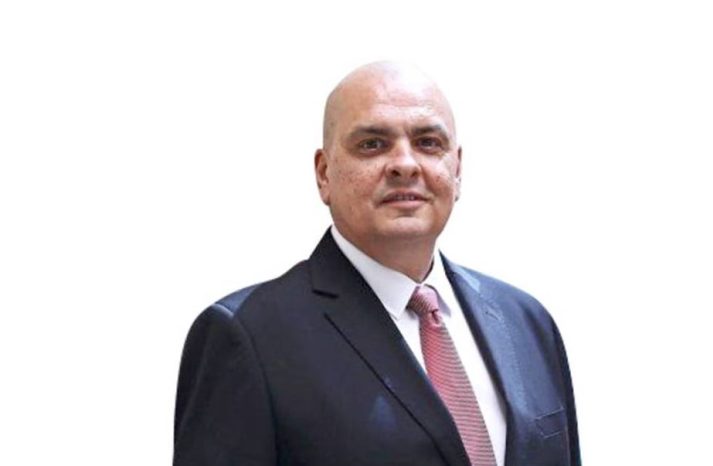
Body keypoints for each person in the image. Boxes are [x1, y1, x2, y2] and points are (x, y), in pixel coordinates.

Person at [173, 61, 580, 466]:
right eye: (372, 144)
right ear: (324, 174)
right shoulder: (249, 337)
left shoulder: (526, 322)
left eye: (428, 143)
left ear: (457, 169)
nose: (405, 164)